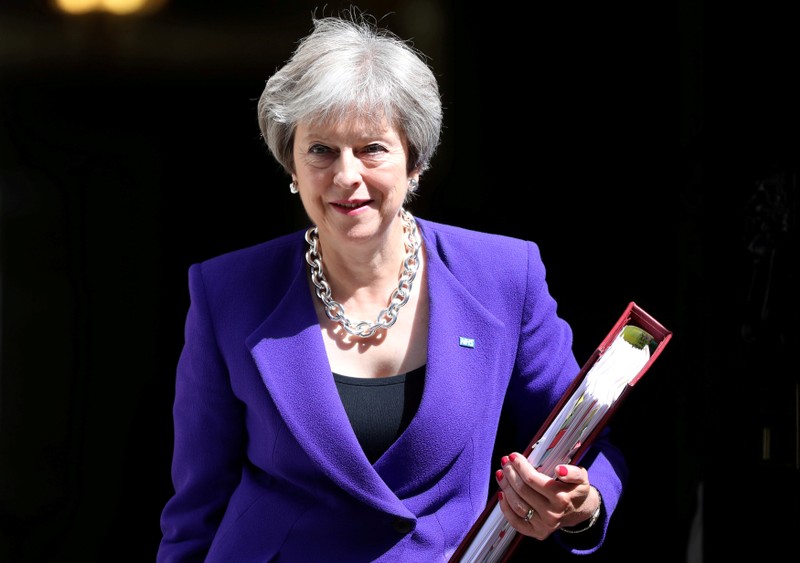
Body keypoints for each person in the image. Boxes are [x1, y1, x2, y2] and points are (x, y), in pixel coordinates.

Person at [157, 7, 627, 562]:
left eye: (372, 148)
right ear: (292, 165)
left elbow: (582, 441)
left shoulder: (504, 275)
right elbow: (197, 505)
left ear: (415, 161)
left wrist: (582, 501)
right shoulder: (227, 291)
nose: (346, 175)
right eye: (321, 150)